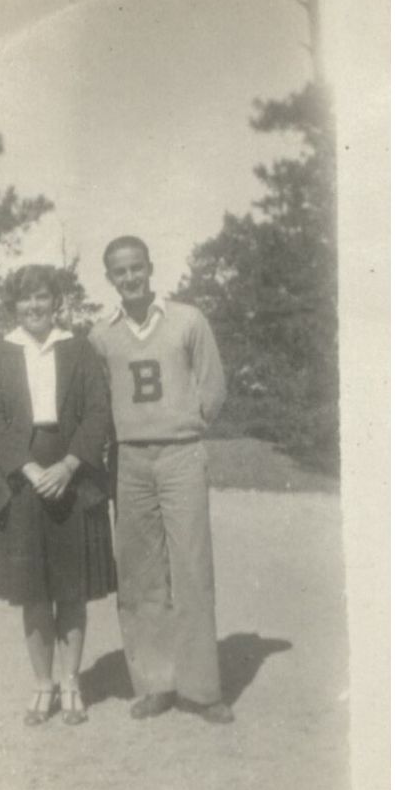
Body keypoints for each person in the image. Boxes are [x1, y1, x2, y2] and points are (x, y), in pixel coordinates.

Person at [88, 236, 233, 723]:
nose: (130, 277)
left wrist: (186, 426)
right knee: (140, 574)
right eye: (120, 271)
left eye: (136, 268)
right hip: (129, 460)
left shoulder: (187, 320)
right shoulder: (101, 335)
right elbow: (97, 400)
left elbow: (213, 386)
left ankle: (202, 689)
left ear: (150, 268)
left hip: (180, 455)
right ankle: (156, 682)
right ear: (110, 278)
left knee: (191, 568)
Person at [0, 264, 116, 726]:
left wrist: (69, 464)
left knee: (71, 586)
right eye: (25, 298)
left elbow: (98, 411)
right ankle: (43, 684)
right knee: (32, 588)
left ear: (56, 302)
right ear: (14, 305)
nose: (34, 306)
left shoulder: (78, 348)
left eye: (42, 297)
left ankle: (71, 681)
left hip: (71, 471)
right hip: (21, 477)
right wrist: (31, 468)